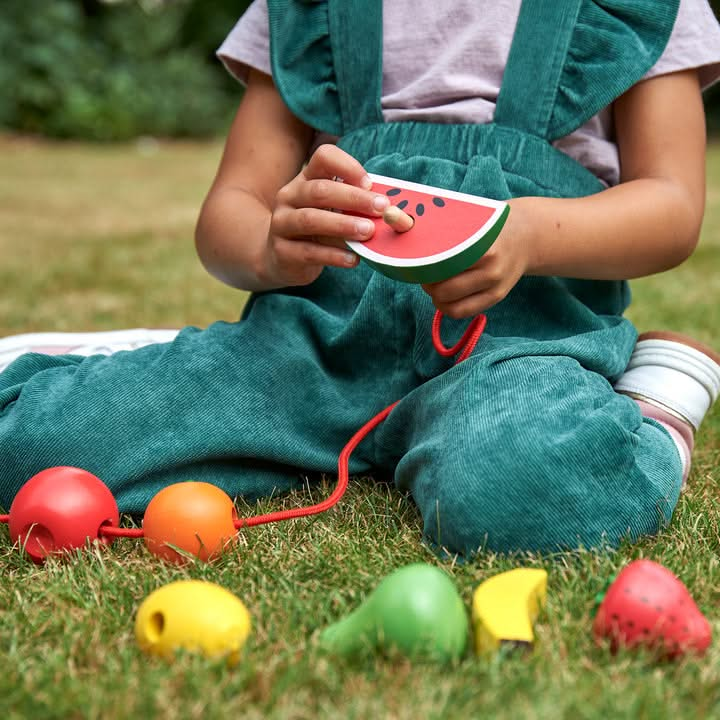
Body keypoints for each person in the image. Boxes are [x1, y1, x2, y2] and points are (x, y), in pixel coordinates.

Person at [1, 0, 719, 555]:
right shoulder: (310, 11)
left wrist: (528, 233)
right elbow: (230, 213)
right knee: (23, 451)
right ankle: (136, 362)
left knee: (520, 489)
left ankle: (661, 404)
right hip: (311, 343)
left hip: (519, 342)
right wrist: (270, 244)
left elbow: (674, 207)